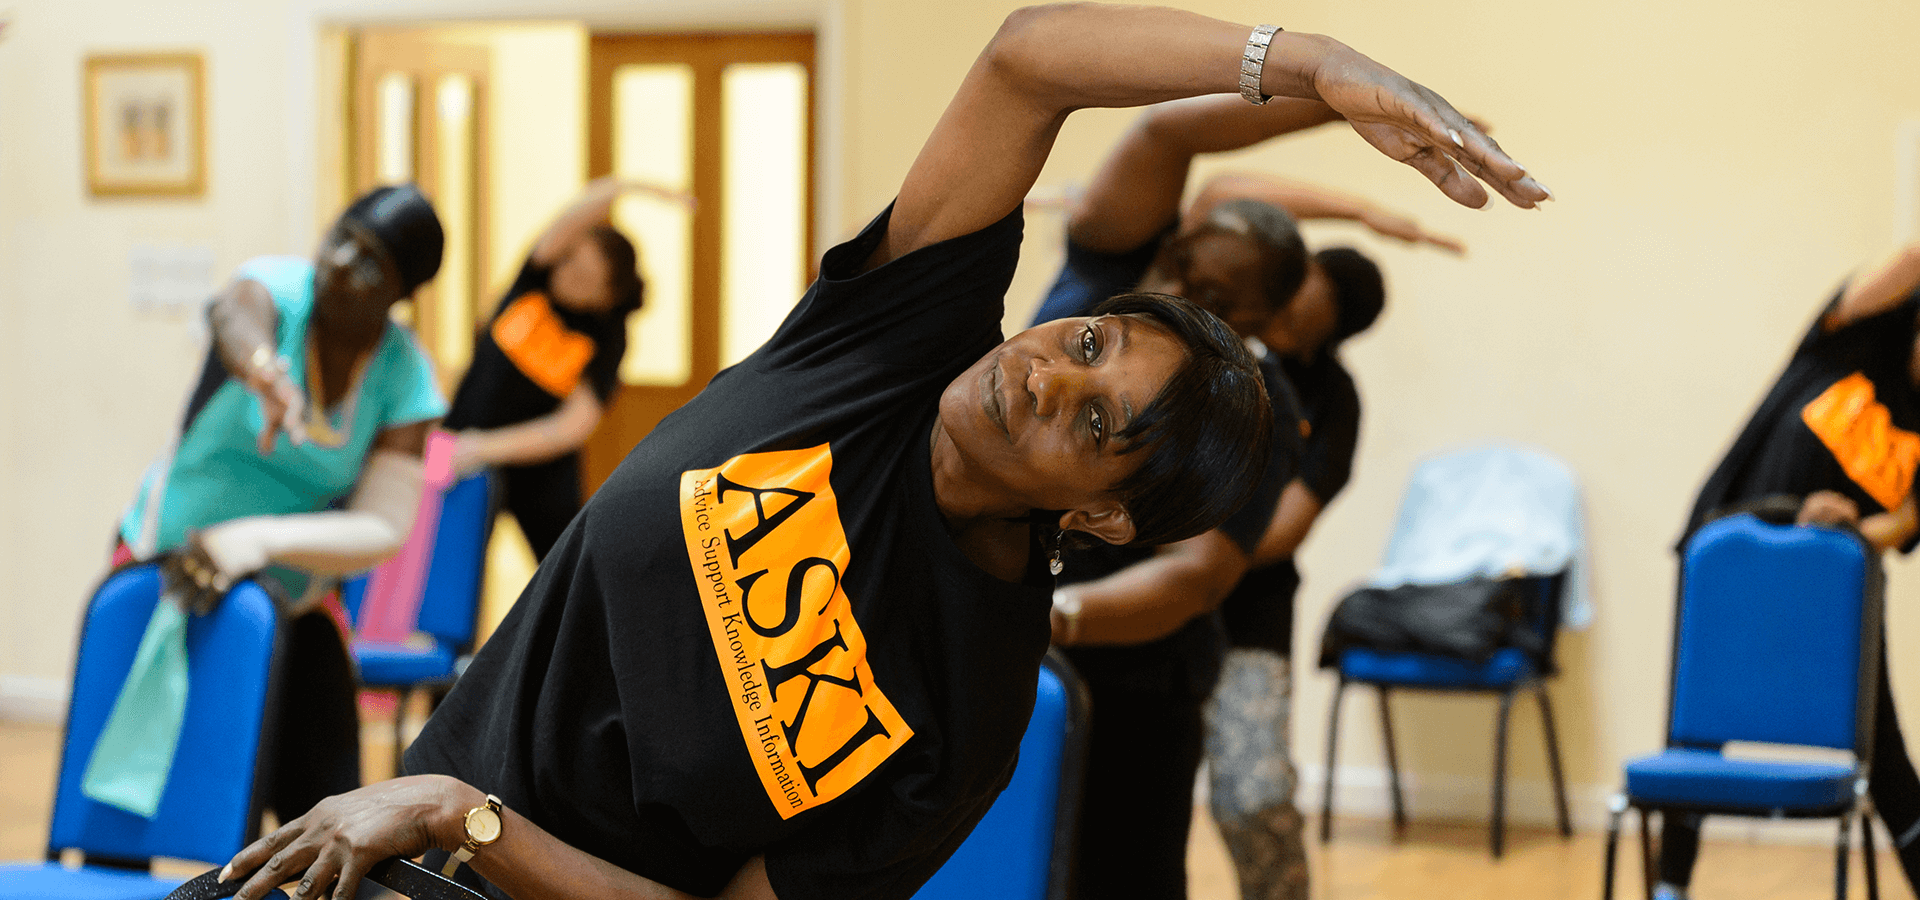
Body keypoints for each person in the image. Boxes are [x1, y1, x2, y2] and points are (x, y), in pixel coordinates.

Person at [218, 7, 1546, 900]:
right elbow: (1030, 58)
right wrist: (1309, 61)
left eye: (1095, 425)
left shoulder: (969, 704)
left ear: (1103, 517)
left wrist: (463, 818)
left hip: (451, 842)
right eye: (1086, 342)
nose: (1044, 374)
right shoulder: (888, 348)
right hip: (366, 860)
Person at [1032, 95, 1459, 900]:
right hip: (1072, 629)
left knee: (1247, 797)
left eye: (1232, 302)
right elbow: (1207, 174)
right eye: (1190, 271)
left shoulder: (1288, 404)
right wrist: (1344, 117)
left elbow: (1232, 557)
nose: (1192, 295)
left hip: (1203, 629)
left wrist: (1154, 529)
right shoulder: (1115, 293)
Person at [113, 183, 447, 821]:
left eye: (372, 261)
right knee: (145, 798)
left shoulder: (405, 376)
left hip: (290, 595)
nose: (342, 262)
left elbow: (382, 525)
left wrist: (253, 540)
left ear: (402, 293)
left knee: (321, 796)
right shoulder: (275, 291)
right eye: (342, 238)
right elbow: (235, 316)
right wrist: (263, 368)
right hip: (168, 564)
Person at [1659, 241, 1920, 900]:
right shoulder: (1851, 342)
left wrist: (1844, 528)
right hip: (1730, 565)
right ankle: (1670, 888)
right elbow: (1908, 261)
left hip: (1833, 593)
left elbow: (1902, 524)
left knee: (1884, 755)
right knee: (1695, 740)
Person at [442, 178, 676, 562]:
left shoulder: (606, 338)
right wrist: (629, 187)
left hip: (538, 468)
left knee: (568, 566)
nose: (566, 274)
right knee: (445, 567)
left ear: (605, 298)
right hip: (460, 443)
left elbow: (572, 426)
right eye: (569, 260)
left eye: (583, 278)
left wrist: (484, 447)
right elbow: (572, 218)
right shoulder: (534, 278)